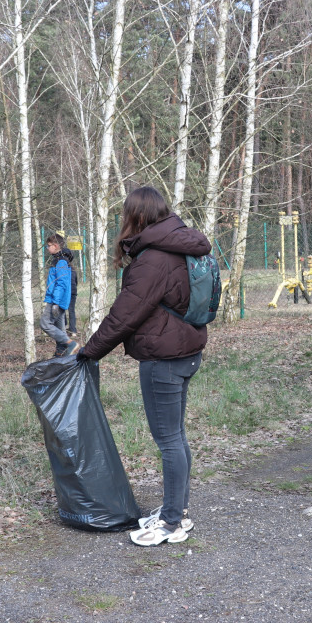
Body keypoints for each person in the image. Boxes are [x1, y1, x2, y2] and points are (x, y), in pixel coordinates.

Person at [79, 186, 210, 547]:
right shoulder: (180, 245)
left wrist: (89, 352)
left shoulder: (153, 258)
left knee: (169, 440)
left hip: (164, 359)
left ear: (136, 216)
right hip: (186, 352)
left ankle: (170, 523)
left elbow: (125, 314)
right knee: (177, 437)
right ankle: (177, 511)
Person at [41, 233, 77, 358]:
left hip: (56, 300)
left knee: (45, 324)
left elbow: (61, 284)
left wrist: (55, 302)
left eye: (48, 246)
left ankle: (70, 343)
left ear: (55, 246)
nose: (47, 248)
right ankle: (61, 354)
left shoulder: (61, 262)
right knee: (60, 328)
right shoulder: (59, 260)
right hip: (59, 300)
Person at [61, 246, 79, 337]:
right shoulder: (73, 269)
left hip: (65, 291)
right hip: (73, 291)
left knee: (62, 309)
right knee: (71, 310)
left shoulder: (60, 267)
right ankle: (73, 330)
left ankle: (64, 327)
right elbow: (76, 282)